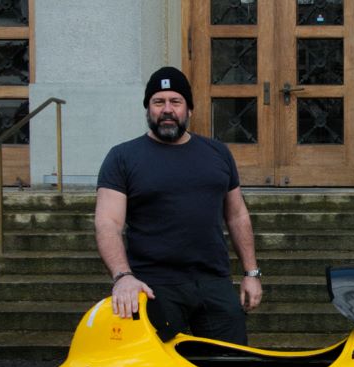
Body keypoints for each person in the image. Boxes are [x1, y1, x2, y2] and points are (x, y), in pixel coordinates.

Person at [95, 66, 262, 344]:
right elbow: (107, 223)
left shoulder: (217, 153)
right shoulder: (123, 157)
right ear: (148, 109)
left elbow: (237, 215)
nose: (167, 109)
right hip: (154, 286)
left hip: (214, 281)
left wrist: (251, 273)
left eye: (176, 101)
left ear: (189, 109)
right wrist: (123, 276)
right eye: (158, 102)